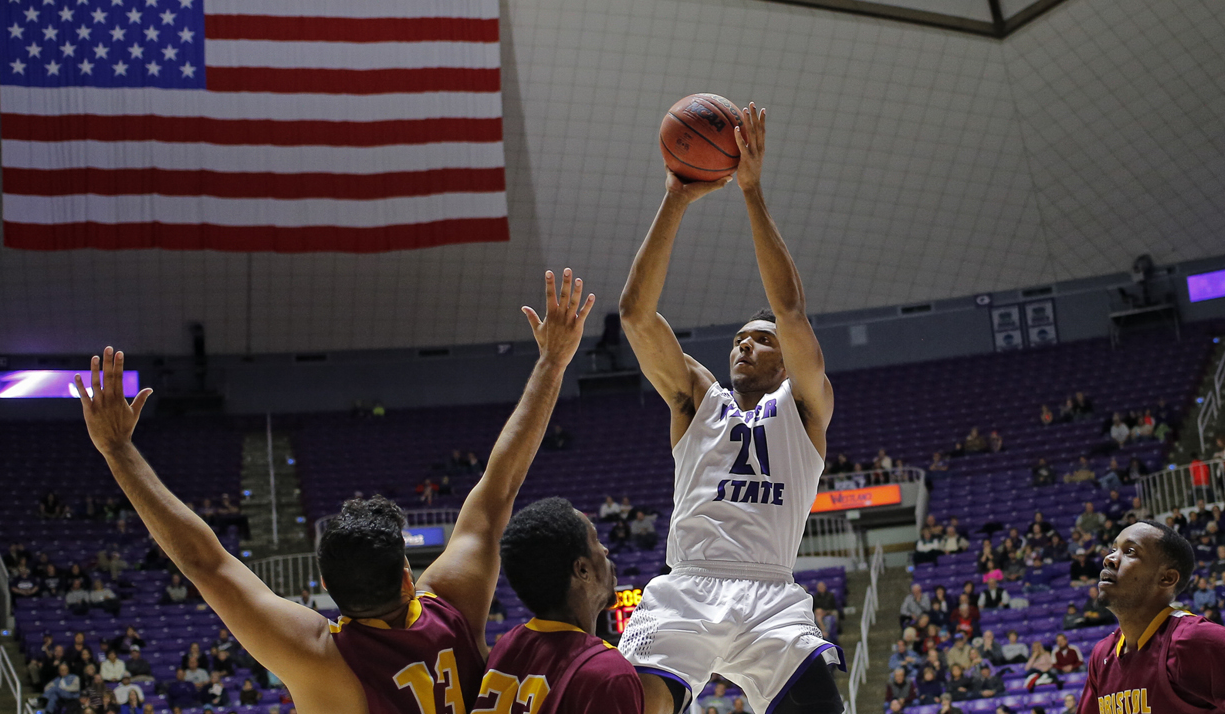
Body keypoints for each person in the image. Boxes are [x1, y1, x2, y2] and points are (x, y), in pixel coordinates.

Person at [72, 270, 593, 714]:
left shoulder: (320, 658)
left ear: (324, 585)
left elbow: (206, 563)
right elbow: (498, 487)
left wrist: (117, 450)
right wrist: (552, 364)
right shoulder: (453, 603)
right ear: (408, 578)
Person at [616, 104, 842, 714]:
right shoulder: (697, 398)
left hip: (770, 592)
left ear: (786, 359)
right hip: (687, 584)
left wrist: (752, 190)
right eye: (739, 338)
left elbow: (790, 311)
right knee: (632, 705)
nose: (746, 343)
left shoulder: (805, 409)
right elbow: (636, 316)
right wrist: (677, 199)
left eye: (761, 339)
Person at [472, 497, 641, 714]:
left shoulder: (508, 645)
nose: (605, 550)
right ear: (582, 570)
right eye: (596, 540)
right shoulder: (609, 674)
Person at [1080, 520, 1225, 713]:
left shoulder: (1196, 639)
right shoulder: (1102, 654)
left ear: (1167, 578)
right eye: (1113, 550)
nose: (1110, 559)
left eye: (1130, 551)